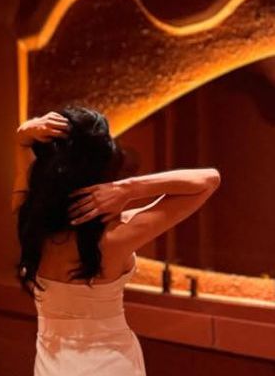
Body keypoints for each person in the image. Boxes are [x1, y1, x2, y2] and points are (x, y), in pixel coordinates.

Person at [13, 107, 220, 375]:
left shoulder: (30, 221)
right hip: (110, 363)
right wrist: (127, 189)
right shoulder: (116, 236)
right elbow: (208, 180)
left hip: (52, 364)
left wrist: (26, 132)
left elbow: (23, 148)